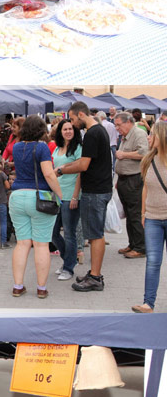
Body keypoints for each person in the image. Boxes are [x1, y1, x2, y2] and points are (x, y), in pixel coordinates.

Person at [56, 102, 113, 293]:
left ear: (81, 114)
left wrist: (62, 170)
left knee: (95, 235)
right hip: (99, 190)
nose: (72, 123)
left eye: (72, 119)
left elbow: (83, 165)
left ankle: (95, 277)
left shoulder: (92, 133)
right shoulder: (99, 130)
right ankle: (93, 273)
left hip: (95, 192)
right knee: (95, 234)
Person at [9, 115, 62, 298]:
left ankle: (17, 286)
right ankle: (41, 288)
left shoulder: (16, 147)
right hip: (38, 197)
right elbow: (48, 174)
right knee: (41, 245)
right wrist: (60, 195)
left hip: (17, 196)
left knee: (22, 243)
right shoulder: (42, 147)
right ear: (41, 130)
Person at [132, 121, 167, 313]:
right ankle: (148, 303)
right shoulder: (148, 160)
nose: (148, 137)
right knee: (153, 261)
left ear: (161, 137)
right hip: (153, 218)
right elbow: (145, 188)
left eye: (152, 134)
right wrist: (143, 213)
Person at [114, 112, 148, 260]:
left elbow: (144, 153)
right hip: (124, 179)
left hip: (133, 179)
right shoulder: (126, 135)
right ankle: (133, 243)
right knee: (129, 213)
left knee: (134, 214)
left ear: (128, 122)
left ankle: (140, 247)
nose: (117, 128)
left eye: (118, 125)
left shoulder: (138, 133)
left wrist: (124, 155)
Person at [51, 118, 82, 281]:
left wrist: (76, 195)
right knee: (53, 233)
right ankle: (69, 260)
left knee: (69, 233)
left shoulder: (78, 148)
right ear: (60, 132)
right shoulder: (57, 148)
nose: (68, 131)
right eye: (65, 129)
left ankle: (68, 268)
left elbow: (80, 173)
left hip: (71, 195)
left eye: (70, 129)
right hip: (57, 195)